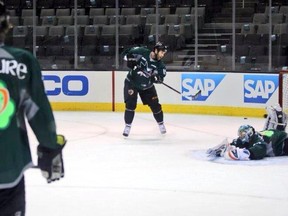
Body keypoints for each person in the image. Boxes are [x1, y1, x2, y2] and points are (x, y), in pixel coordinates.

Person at [0, 2, 66, 215]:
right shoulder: (22, 62)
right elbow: (38, 112)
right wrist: (50, 148)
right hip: (7, 168)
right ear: (6, 25)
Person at [122, 42, 168, 137]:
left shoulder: (161, 65)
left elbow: (160, 78)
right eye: (161, 52)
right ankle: (127, 126)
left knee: (155, 106)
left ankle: (161, 124)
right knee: (130, 104)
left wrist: (157, 79)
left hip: (147, 86)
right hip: (132, 83)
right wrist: (129, 59)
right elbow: (125, 53)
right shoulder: (141, 51)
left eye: (164, 53)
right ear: (155, 50)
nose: (163, 55)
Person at [207, 125, 288, 160]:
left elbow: (260, 150)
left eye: (242, 134)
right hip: (277, 137)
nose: (240, 136)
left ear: (249, 133)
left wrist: (246, 153)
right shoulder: (247, 138)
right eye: (240, 134)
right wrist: (220, 149)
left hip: (283, 142)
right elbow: (234, 143)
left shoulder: (257, 139)